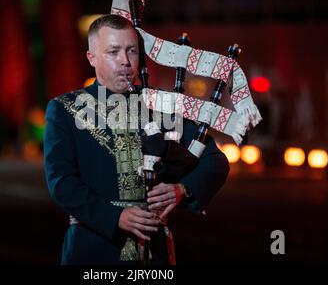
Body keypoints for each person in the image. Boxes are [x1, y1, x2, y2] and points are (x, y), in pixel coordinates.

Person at [43, 14, 229, 265]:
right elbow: (62, 182)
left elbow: (215, 161)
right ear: (92, 57)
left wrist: (181, 190)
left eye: (132, 51)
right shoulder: (65, 108)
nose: (125, 61)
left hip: (154, 255)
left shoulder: (160, 107)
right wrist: (114, 217)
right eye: (113, 52)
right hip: (92, 250)